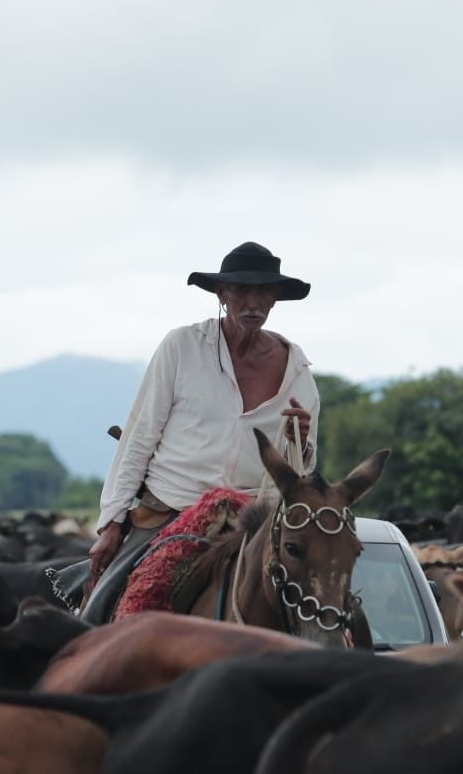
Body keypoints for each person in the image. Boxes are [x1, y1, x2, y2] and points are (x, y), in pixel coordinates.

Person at [81, 241, 320, 621]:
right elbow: (139, 437)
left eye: (263, 292)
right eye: (242, 290)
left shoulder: (298, 372)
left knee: (324, 610)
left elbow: (303, 470)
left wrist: (300, 442)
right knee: (106, 609)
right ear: (222, 294)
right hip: (171, 510)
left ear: (276, 298)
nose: (253, 302)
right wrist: (112, 521)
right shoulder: (182, 347)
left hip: (256, 522)